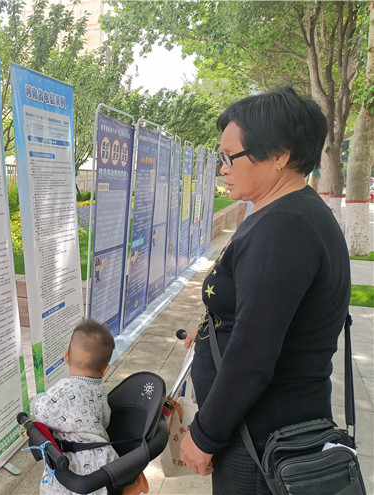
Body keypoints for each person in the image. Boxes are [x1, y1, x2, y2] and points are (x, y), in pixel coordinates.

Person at [179, 86, 351, 494]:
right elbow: (265, 313)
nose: (223, 168)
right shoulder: (292, 212)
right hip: (264, 429)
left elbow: (253, 352)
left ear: (279, 156)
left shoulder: (283, 228)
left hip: (260, 439)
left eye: (230, 157)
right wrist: (213, 329)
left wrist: (204, 435)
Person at [30, 320, 119, 495]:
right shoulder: (100, 391)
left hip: (71, 464)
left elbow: (41, 411)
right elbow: (105, 420)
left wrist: (36, 399)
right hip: (101, 464)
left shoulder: (64, 388)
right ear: (105, 369)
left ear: (66, 356)